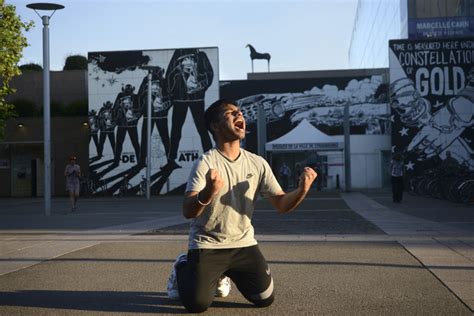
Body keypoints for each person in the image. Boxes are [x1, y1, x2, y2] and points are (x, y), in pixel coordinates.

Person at [166, 99, 317, 313]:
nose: (240, 116)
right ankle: (183, 265)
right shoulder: (205, 163)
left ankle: (223, 274)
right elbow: (188, 211)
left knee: (264, 299)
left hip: (243, 244)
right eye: (231, 113)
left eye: (240, 113)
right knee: (197, 304)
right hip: (208, 244)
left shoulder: (257, 163)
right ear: (216, 126)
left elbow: (282, 204)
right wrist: (208, 191)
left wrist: (302, 190)